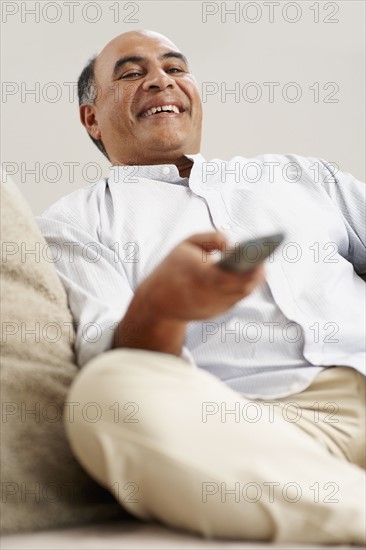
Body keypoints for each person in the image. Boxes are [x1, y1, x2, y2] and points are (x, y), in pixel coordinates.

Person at [37, 30, 365, 544]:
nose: (160, 80)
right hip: (260, 434)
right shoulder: (73, 222)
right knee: (105, 396)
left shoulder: (300, 176)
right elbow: (119, 363)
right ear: (92, 118)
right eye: (130, 73)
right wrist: (163, 309)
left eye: (175, 68)